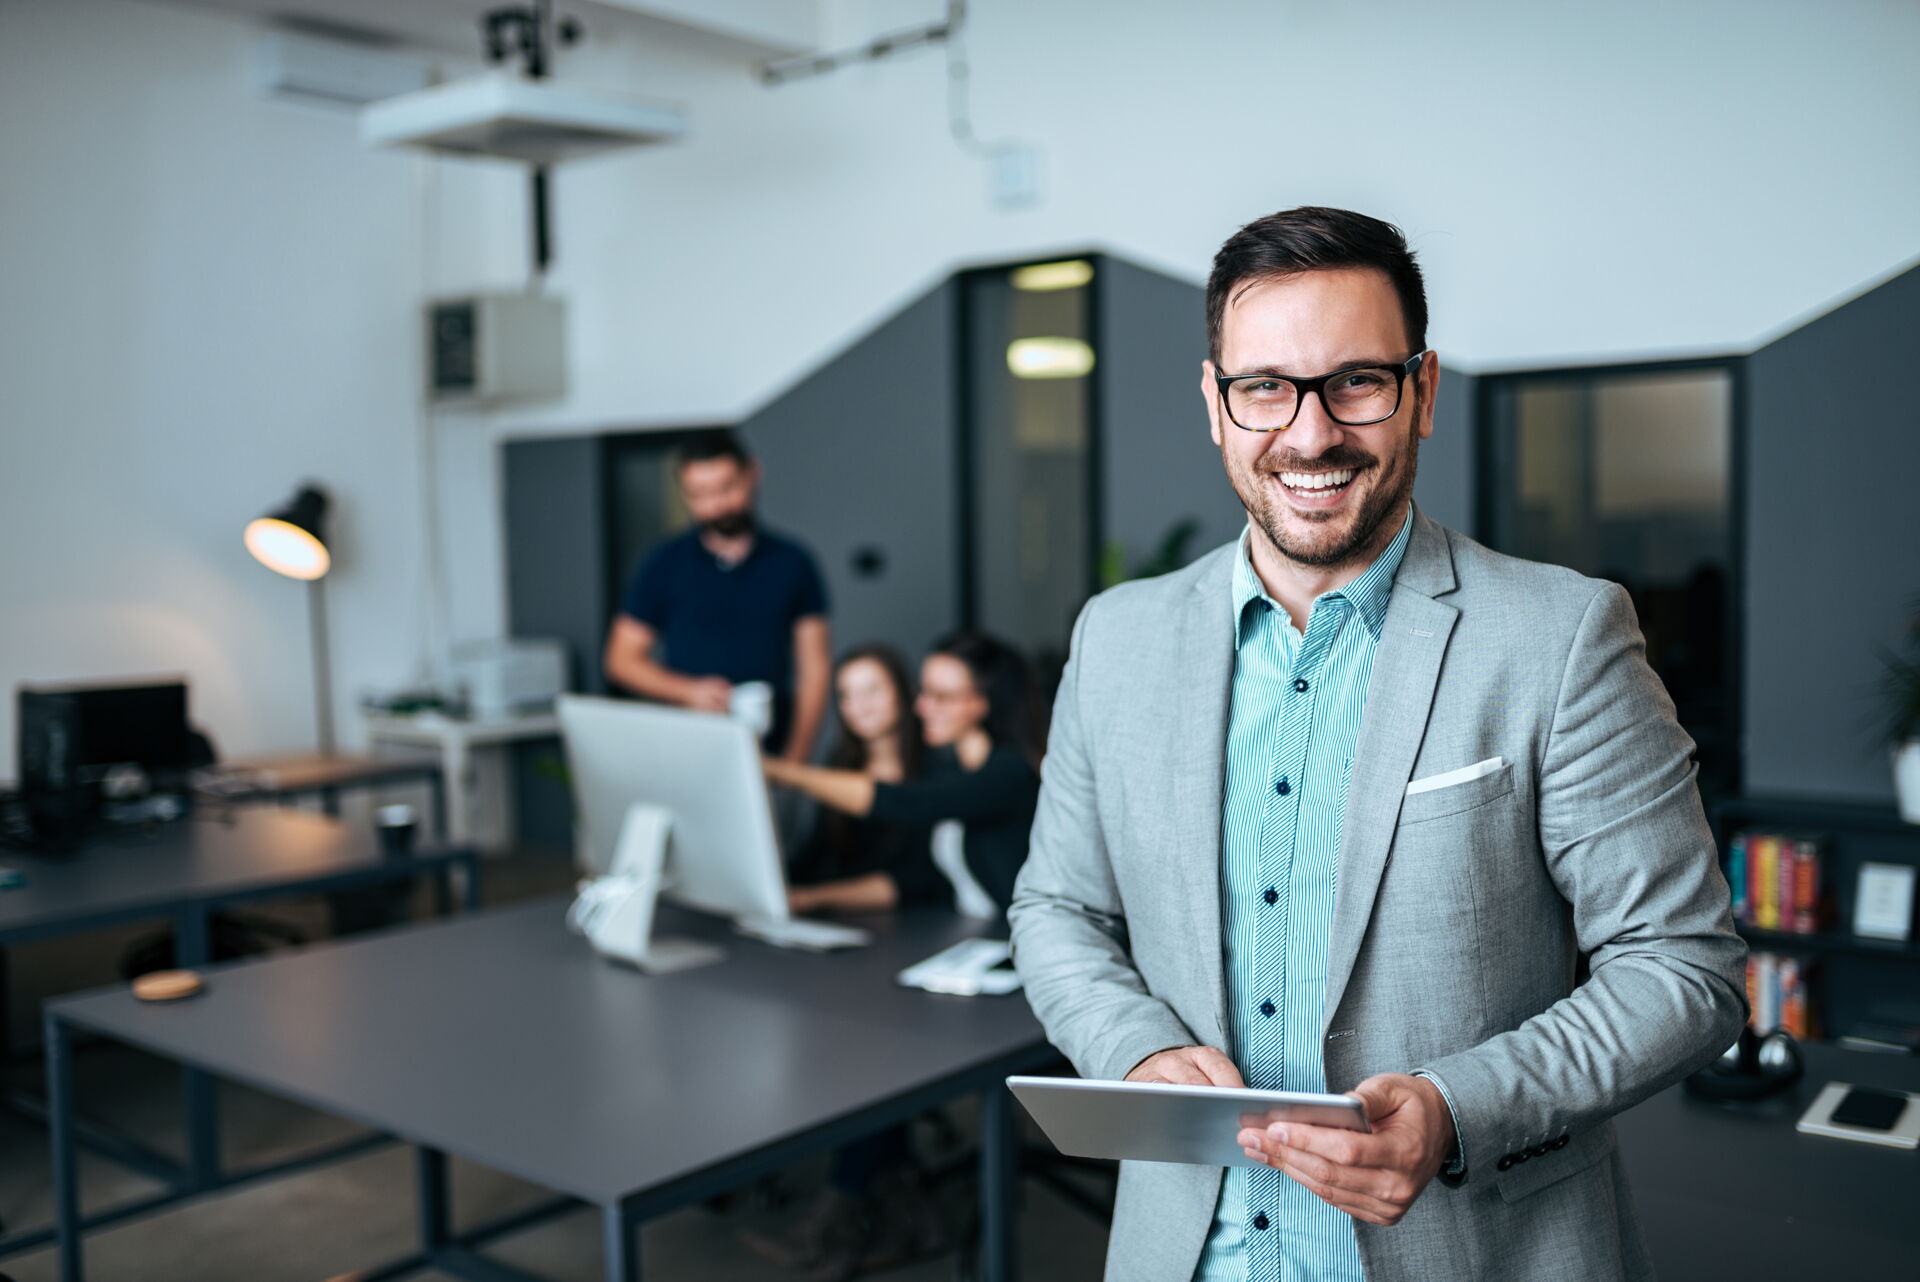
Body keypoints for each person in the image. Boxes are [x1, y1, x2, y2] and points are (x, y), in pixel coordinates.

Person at [1007, 207, 1746, 1282]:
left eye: (1356, 380)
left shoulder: (1559, 635)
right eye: (1265, 386)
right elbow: (1057, 909)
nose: (1310, 435)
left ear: (1423, 392)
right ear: (1215, 404)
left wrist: (1454, 1108)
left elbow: (1684, 967)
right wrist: (1134, 1048)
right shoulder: (1116, 637)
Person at [765, 631, 1042, 920]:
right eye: (924, 692)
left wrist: (779, 770)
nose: (921, 707)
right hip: (967, 935)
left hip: (1016, 944)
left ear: (982, 703)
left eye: (942, 697)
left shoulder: (1008, 773)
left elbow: (904, 802)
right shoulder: (954, 770)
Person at [603, 430, 831, 763]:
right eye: (700, 494)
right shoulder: (663, 564)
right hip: (687, 748)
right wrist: (689, 692)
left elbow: (815, 668)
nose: (716, 505)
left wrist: (796, 759)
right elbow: (621, 661)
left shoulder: (793, 562)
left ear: (751, 473)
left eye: (726, 488)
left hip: (771, 750)